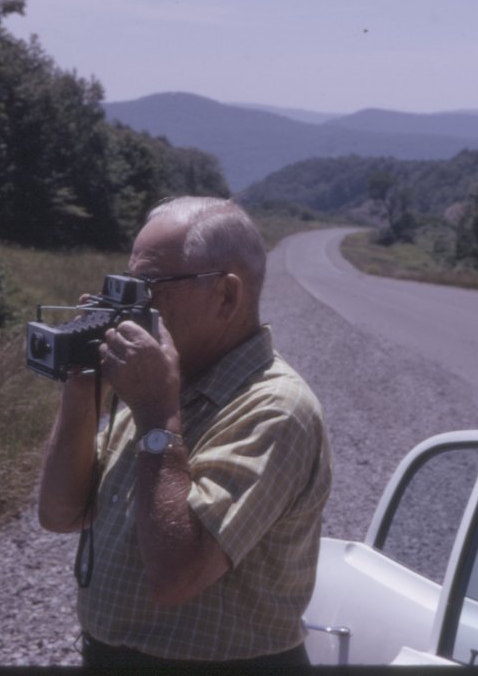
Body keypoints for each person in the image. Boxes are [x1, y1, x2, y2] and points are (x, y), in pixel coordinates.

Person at [37, 196, 332, 668]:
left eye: (150, 286)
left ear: (226, 296)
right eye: (127, 284)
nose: (130, 305)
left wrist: (158, 415)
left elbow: (176, 577)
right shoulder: (164, 381)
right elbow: (61, 513)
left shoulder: (277, 410)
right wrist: (81, 387)